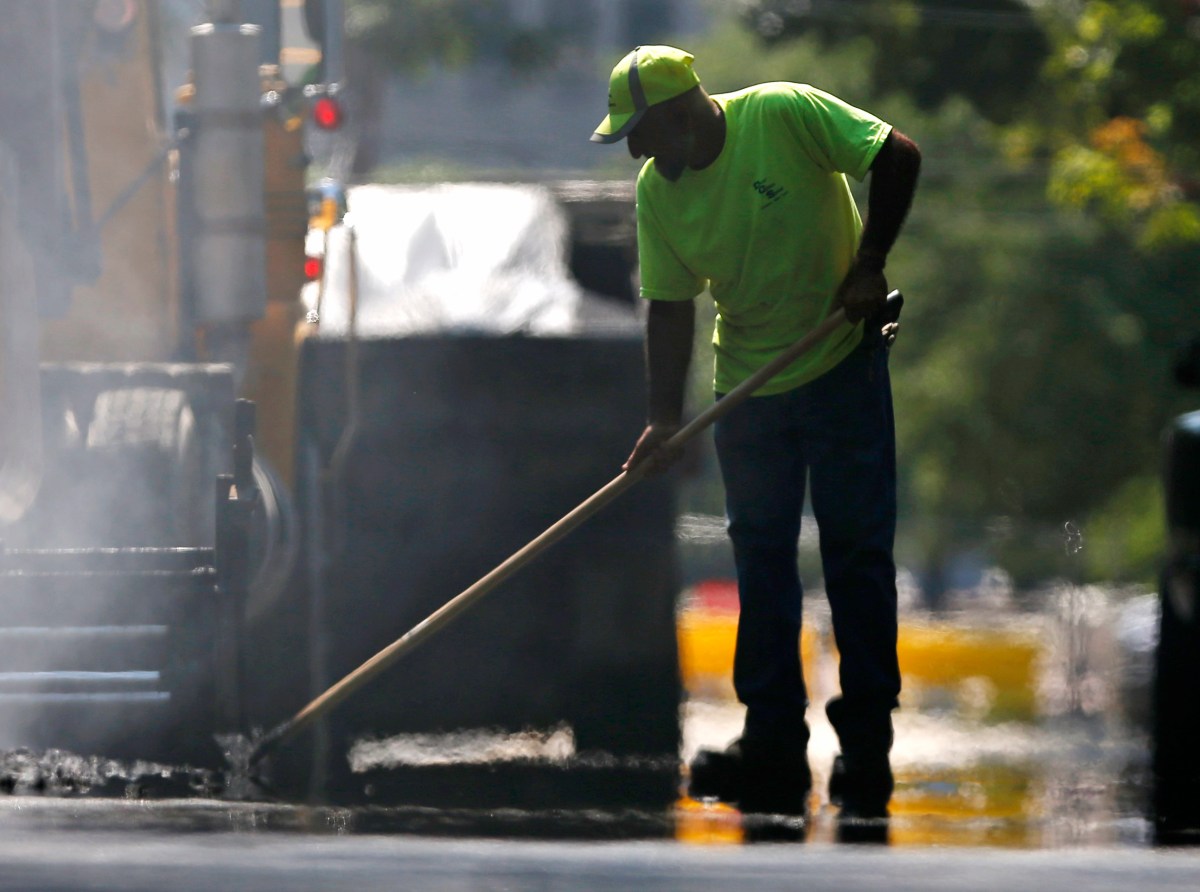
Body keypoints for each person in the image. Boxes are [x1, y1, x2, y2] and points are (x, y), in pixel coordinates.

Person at [592, 46, 921, 818]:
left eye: (639, 134)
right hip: (746, 392)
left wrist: (871, 261)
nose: (636, 152)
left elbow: (896, 154)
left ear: (680, 116)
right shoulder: (656, 192)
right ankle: (772, 748)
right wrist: (664, 419)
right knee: (762, 565)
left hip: (841, 363)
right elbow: (670, 305)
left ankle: (865, 752)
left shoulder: (783, 113)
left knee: (857, 559)